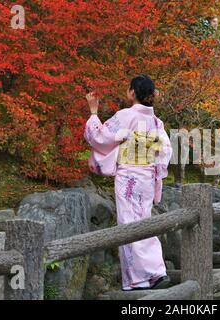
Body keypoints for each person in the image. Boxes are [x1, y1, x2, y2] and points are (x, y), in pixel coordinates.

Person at [84, 75, 173, 291]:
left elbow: (99, 137)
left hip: (129, 177)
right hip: (147, 178)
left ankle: (140, 278)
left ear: (132, 92)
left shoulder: (126, 116)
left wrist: (94, 112)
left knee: (129, 223)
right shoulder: (156, 122)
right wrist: (156, 172)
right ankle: (155, 272)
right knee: (144, 221)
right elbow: (166, 150)